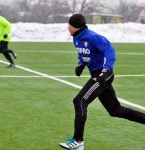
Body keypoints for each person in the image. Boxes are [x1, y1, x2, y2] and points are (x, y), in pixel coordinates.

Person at [59, 14, 145, 150]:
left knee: (79, 101)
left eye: (69, 25)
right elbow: (83, 53)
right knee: (115, 110)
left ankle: (78, 141)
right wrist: (81, 65)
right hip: (96, 74)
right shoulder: (76, 38)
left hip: (104, 75)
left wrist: (105, 70)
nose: (67, 27)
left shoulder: (92, 37)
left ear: (75, 27)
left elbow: (109, 51)